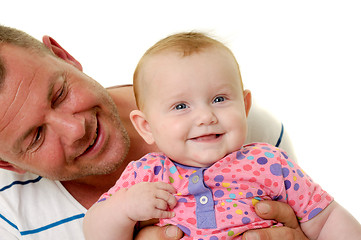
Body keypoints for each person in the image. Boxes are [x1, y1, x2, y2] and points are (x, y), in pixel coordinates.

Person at [0, 24, 315, 240]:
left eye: (60, 94)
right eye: (36, 136)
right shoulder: (9, 220)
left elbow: (317, 218)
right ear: (8, 165)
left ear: (63, 56)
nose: (75, 129)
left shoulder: (231, 128)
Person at [83, 32, 361, 240]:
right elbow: (97, 232)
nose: (206, 117)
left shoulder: (269, 162)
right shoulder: (147, 175)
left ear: (245, 106)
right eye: (181, 106)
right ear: (146, 126)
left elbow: (326, 220)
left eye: (219, 99)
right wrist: (123, 209)